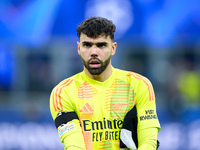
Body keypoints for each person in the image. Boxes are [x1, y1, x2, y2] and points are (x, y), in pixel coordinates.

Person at [50, 17, 161, 150]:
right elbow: (74, 146)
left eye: (101, 45)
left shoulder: (139, 85)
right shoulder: (63, 92)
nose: (94, 52)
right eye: (87, 45)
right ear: (78, 48)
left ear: (113, 48)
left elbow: (148, 142)